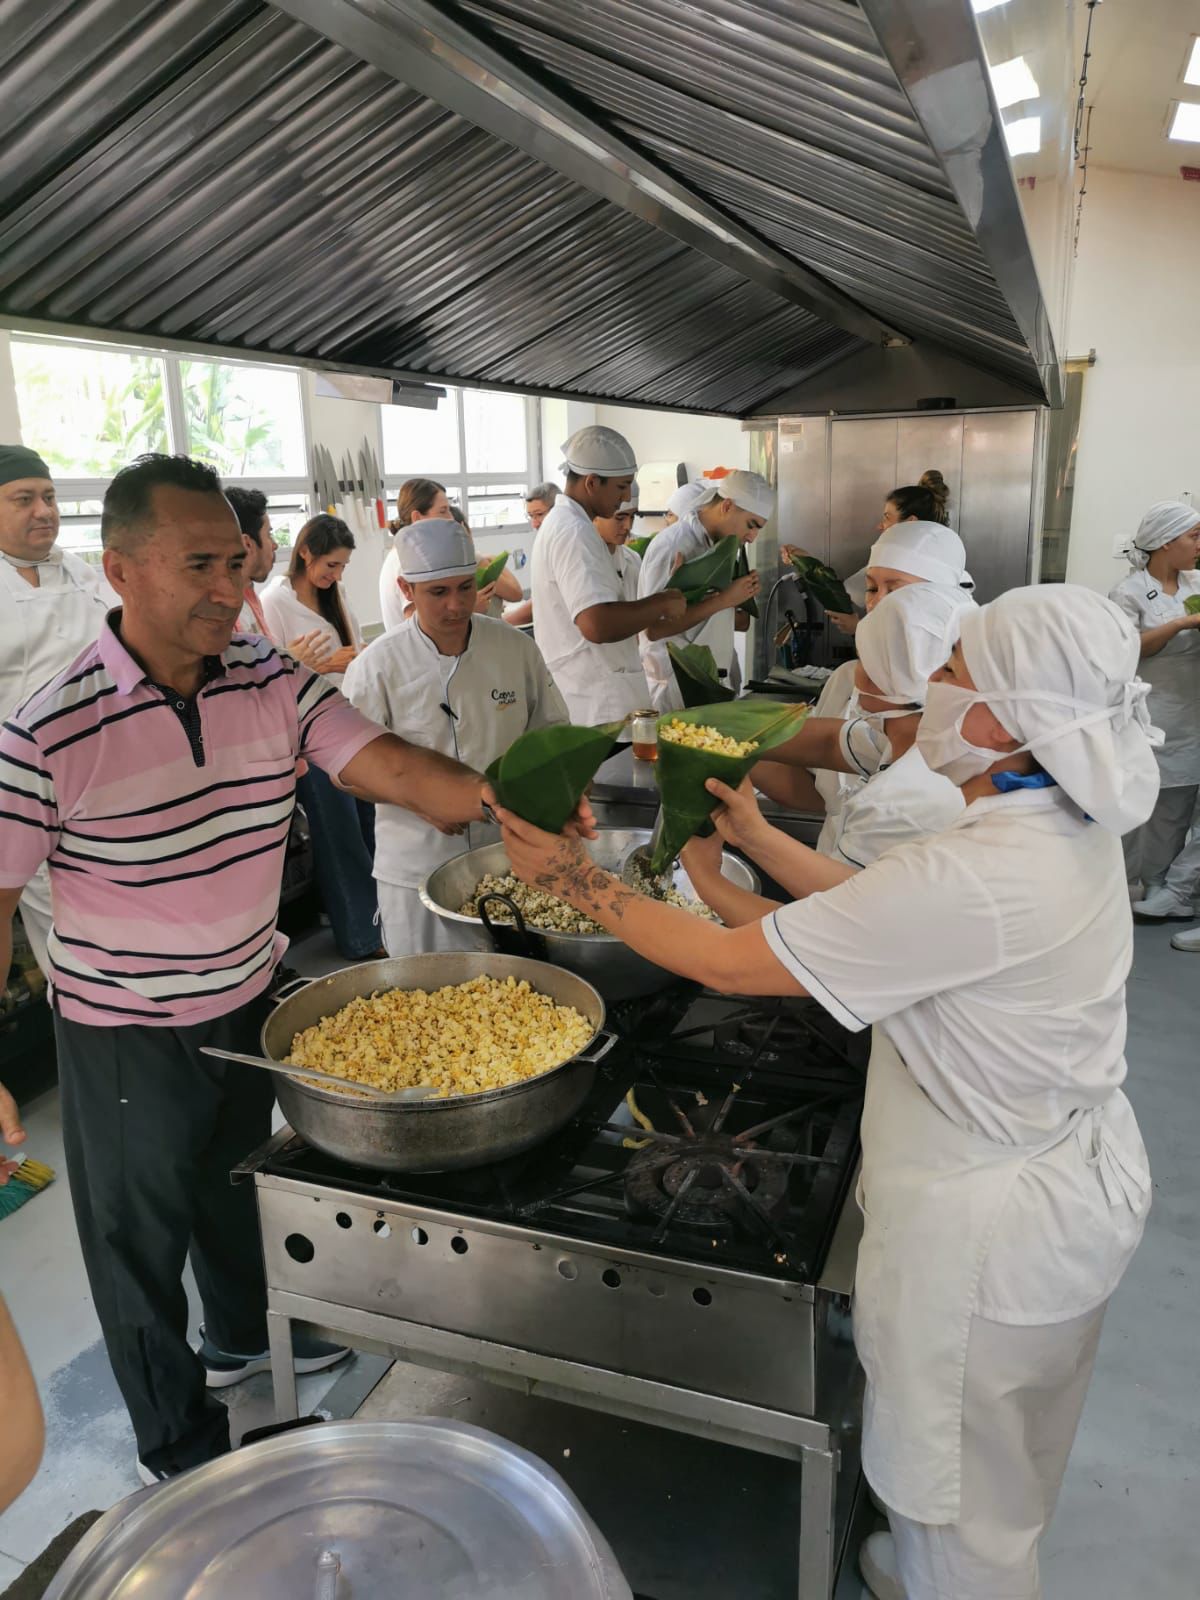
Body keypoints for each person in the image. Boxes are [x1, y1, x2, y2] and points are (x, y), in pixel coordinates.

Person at [493, 583, 1155, 1600]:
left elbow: (729, 969)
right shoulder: (1047, 826)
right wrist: (748, 848)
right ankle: (939, 1565)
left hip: (995, 1230)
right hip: (1062, 1178)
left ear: (1006, 721)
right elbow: (885, 913)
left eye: (953, 672)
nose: (930, 686)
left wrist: (577, 880)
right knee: (997, 1462)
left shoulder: (982, 875)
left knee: (963, 1504)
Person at [0, 453, 540, 1485]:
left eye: (237, 564)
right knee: (136, 1240)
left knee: (231, 1184)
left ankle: (243, 1335)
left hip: (246, 998)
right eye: (199, 564)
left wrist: (500, 806)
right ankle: (179, 1444)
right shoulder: (47, 730)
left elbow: (381, 759)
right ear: (120, 570)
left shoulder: (268, 676)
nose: (228, 589)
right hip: (125, 1028)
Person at [343, 519, 568, 955]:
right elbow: (346, 773)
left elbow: (552, 735)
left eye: (465, 587)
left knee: (514, 997)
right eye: (438, 592)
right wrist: (421, 798)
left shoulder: (514, 649)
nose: (456, 605)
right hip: (416, 864)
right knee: (429, 1002)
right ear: (406, 590)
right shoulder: (378, 666)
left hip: (505, 856)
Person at [708, 586, 967, 896]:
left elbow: (832, 917)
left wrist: (716, 861)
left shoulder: (895, 802)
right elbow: (829, 742)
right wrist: (715, 736)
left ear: (872, 678)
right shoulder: (914, 737)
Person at [766, 521, 975, 849]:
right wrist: (722, 746)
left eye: (898, 590)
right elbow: (825, 761)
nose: (879, 604)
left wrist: (748, 833)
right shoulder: (853, 685)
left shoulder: (918, 779)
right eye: (873, 588)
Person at [0, 443, 114, 975]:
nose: (44, 510)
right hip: (21, 790)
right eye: (24, 499)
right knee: (65, 940)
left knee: (126, 918)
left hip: (107, 777)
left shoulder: (83, 574)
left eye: (48, 496)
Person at [261, 516, 380, 961]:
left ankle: (381, 921)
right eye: (331, 564)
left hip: (349, 724)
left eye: (343, 567)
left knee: (369, 827)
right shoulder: (275, 602)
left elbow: (355, 648)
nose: (336, 575)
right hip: (310, 734)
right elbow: (273, 675)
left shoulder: (335, 595)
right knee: (340, 835)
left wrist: (354, 659)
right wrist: (327, 666)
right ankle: (361, 937)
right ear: (305, 552)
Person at [531, 425, 685, 723]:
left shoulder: (573, 525)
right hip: (595, 705)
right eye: (621, 486)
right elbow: (596, 624)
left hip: (604, 697)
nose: (626, 495)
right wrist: (661, 604)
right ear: (591, 482)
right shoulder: (573, 531)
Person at [1108, 501, 1200, 926]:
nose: (1199, 546)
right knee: (1139, 800)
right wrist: (1182, 624)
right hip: (1148, 708)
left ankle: (1162, 884)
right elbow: (1126, 650)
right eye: (1194, 536)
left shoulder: (1195, 583)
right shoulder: (1127, 592)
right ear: (1166, 542)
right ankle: (1122, 883)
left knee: (1176, 806)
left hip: (1191, 711)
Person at [637, 471, 770, 712]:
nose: (752, 537)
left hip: (715, 680)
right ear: (727, 506)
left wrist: (741, 595)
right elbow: (654, 630)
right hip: (676, 687)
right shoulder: (674, 546)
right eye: (751, 526)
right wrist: (725, 599)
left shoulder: (725, 548)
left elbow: (740, 623)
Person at [379, 478, 452, 631]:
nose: (451, 519)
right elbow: (418, 628)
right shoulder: (405, 562)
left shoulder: (409, 555)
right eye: (443, 511)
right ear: (417, 518)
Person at [593, 489, 642, 601]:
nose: (628, 526)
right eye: (620, 518)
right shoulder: (584, 561)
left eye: (633, 517)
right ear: (595, 517)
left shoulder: (633, 559)